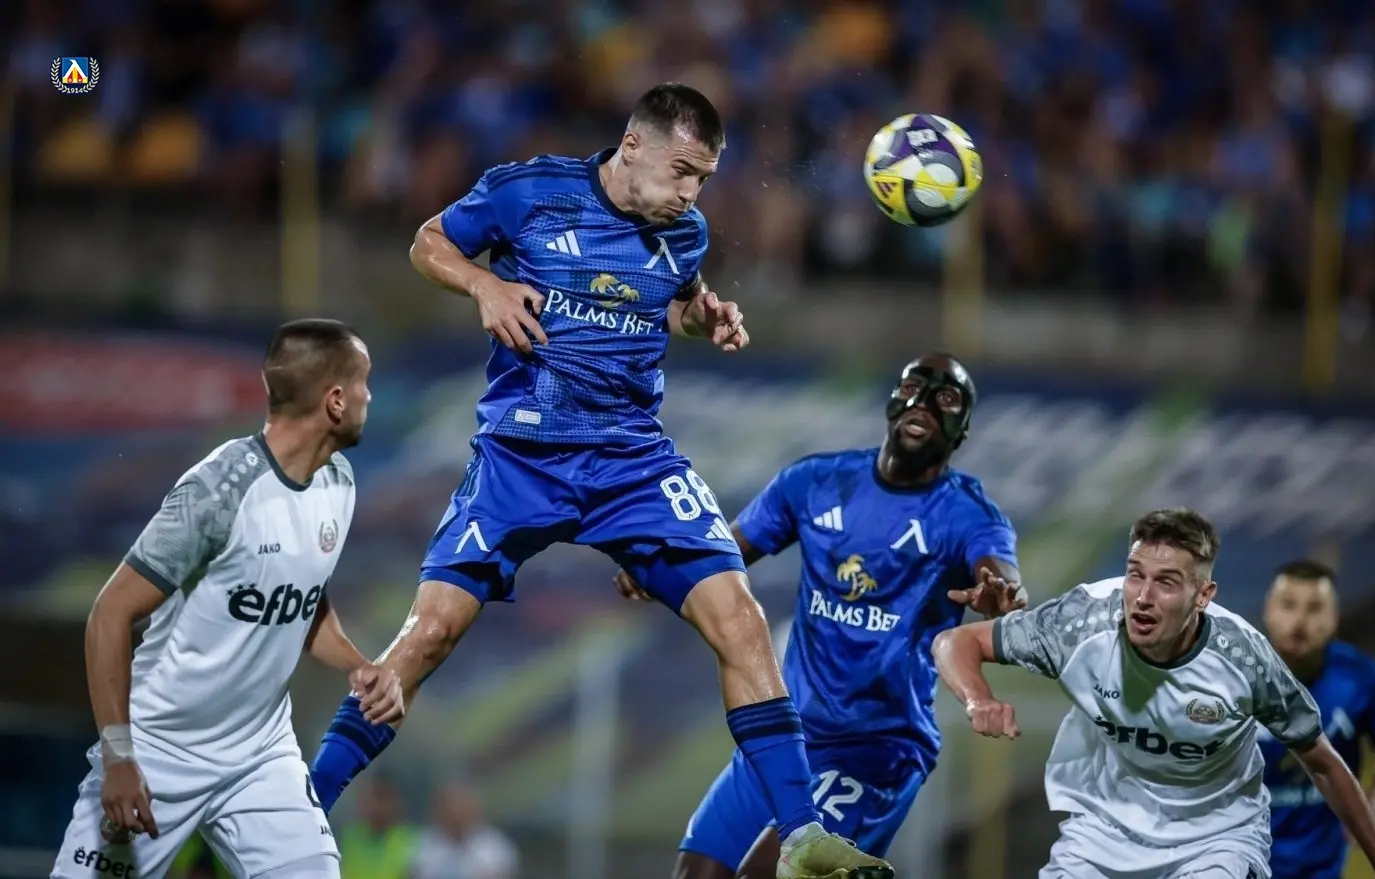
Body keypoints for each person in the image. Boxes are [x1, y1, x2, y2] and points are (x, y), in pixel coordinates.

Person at [305, 83, 891, 879]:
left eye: (704, 178)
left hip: (632, 462)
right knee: (427, 635)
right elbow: (427, 241)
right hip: (522, 454)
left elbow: (672, 299)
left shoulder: (684, 232)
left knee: (741, 619)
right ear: (634, 145)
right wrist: (483, 284)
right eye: (682, 171)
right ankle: (302, 808)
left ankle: (802, 836)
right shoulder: (530, 193)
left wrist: (704, 315)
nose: (691, 193)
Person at [615, 353, 1026, 879]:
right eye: (913, 387)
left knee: (770, 875)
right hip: (784, 738)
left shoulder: (967, 514)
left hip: (874, 751)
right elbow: (723, 554)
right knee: (696, 874)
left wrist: (999, 590)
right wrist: (658, 565)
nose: (923, 401)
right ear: (892, 402)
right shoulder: (814, 482)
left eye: (946, 397)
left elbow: (1000, 573)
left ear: (962, 428)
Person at [51, 319, 404, 879]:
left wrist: (357, 664)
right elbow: (110, 614)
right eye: (364, 382)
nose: (370, 397)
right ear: (336, 400)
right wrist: (119, 756)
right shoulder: (216, 492)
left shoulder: (338, 482)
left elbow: (301, 596)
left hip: (261, 756)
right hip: (160, 752)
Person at [931, 508, 1375, 879]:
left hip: (1215, 840)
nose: (1142, 596)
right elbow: (954, 642)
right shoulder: (1082, 624)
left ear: (1203, 595)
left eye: (1166, 583)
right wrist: (978, 699)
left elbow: (1322, 761)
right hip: (1102, 833)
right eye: (1135, 574)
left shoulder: (1244, 660)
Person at [1259, 560, 1375, 878]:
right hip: (1238, 860)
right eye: (1288, 605)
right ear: (1268, 612)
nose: (1299, 621)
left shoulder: (1363, 680)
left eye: (1315, 609)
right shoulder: (1231, 677)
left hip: (1319, 868)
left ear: (1334, 618)